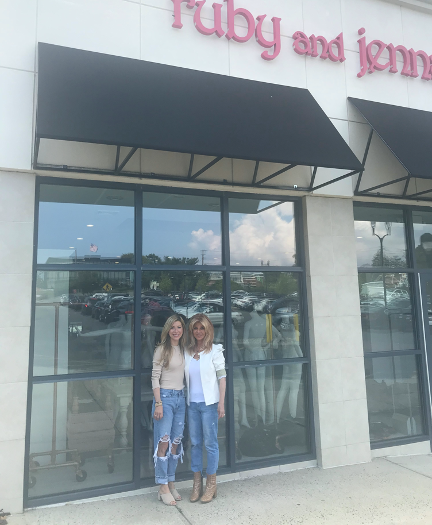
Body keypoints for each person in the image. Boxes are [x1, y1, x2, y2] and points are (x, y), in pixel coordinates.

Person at [185, 313, 226, 504]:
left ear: (208, 329)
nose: (199, 332)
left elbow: (222, 378)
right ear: (191, 330)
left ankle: (211, 483)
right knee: (195, 443)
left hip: (209, 405)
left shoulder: (215, 351)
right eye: (195, 328)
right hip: (192, 404)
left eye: (202, 328)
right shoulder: (187, 351)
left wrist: (221, 403)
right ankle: (197, 483)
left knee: (210, 443)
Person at [151, 314, 186, 506]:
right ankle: (162, 485)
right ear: (167, 330)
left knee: (175, 443)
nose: (176, 331)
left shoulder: (184, 349)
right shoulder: (161, 350)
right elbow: (154, 377)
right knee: (163, 442)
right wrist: (158, 403)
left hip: (181, 398)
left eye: (179, 327)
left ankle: (171, 481)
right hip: (165, 398)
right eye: (172, 327)